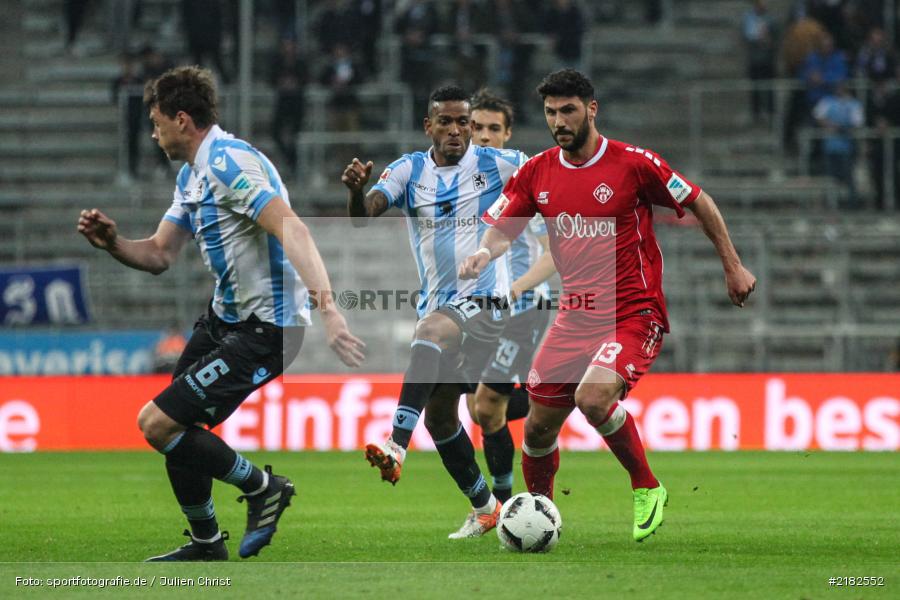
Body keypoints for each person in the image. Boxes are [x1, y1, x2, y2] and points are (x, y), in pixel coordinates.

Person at [77, 66, 365, 561]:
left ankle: (262, 487)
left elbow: (294, 230)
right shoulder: (192, 174)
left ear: (182, 119)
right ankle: (207, 542)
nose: (153, 132)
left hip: (269, 328)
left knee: (158, 423)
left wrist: (330, 312)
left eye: (157, 121)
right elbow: (160, 256)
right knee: (174, 428)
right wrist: (113, 244)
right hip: (223, 322)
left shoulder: (230, 163)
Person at [459, 69, 756, 542]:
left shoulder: (632, 164)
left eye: (568, 110)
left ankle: (647, 486)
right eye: (551, 112)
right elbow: (503, 228)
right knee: (536, 430)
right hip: (575, 316)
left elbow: (699, 201)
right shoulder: (538, 171)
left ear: (591, 109)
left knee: (592, 397)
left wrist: (732, 266)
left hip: (633, 312)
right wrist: (483, 252)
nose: (559, 120)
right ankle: (541, 515)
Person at [341, 85, 527, 538]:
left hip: (486, 300)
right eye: (446, 121)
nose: (457, 130)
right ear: (429, 125)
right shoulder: (409, 170)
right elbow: (364, 215)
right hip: (440, 302)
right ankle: (487, 508)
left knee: (429, 330)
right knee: (442, 416)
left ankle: (396, 445)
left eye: (464, 122)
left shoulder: (499, 164)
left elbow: (555, 175)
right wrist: (357, 192)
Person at [467, 89, 556, 504]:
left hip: (522, 305)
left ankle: (500, 507)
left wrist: (518, 287)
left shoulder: (523, 174)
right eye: (476, 127)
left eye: (493, 129)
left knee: (486, 407)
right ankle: (555, 394)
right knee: (479, 410)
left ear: (508, 134)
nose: (483, 137)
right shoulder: (454, 176)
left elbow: (551, 249)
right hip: (477, 309)